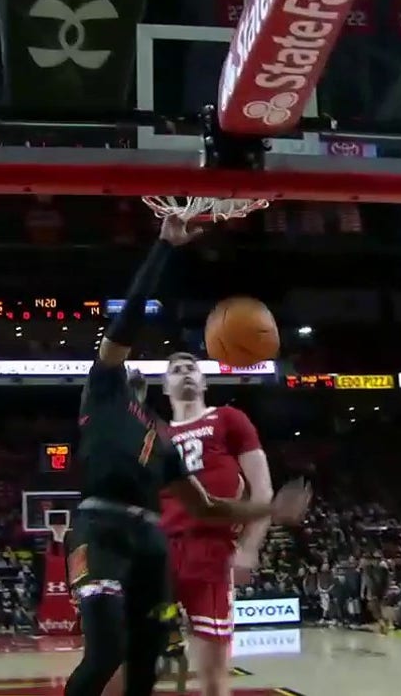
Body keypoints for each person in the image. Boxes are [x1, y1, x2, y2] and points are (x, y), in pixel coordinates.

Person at [65, 214, 311, 696]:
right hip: (101, 529)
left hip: (155, 544)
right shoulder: (103, 389)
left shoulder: (161, 436)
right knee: (106, 652)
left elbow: (208, 506)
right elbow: (129, 315)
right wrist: (163, 248)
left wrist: (269, 511)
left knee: (144, 667)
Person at [156, 349, 275, 695]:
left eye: (191, 367)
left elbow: (262, 488)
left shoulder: (228, 418)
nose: (185, 372)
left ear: (204, 380)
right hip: (161, 551)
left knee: (212, 676)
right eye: (176, 370)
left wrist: (249, 548)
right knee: (140, 664)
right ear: (166, 387)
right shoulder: (156, 434)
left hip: (210, 549)